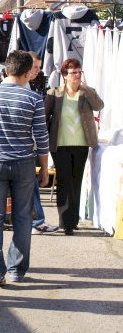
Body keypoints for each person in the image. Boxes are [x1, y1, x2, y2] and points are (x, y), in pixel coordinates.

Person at [0, 50, 50, 286]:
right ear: (28, 74)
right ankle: (16, 270)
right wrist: (44, 169)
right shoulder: (33, 99)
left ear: (5, 70)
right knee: (23, 217)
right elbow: (41, 138)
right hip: (24, 163)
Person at [44, 57, 104, 236]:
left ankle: (73, 220)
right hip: (60, 144)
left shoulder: (86, 93)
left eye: (79, 72)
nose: (77, 75)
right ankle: (65, 221)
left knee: (76, 181)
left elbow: (99, 105)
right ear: (65, 75)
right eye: (73, 73)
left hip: (81, 143)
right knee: (64, 180)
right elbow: (44, 117)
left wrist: (86, 88)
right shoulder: (55, 93)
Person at [26, 51, 59, 234]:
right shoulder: (29, 93)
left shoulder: (30, 89)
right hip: (25, 150)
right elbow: (39, 130)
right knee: (30, 186)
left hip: (27, 149)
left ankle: (37, 220)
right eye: (35, 67)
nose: (37, 71)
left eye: (39, 67)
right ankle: (36, 221)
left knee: (31, 188)